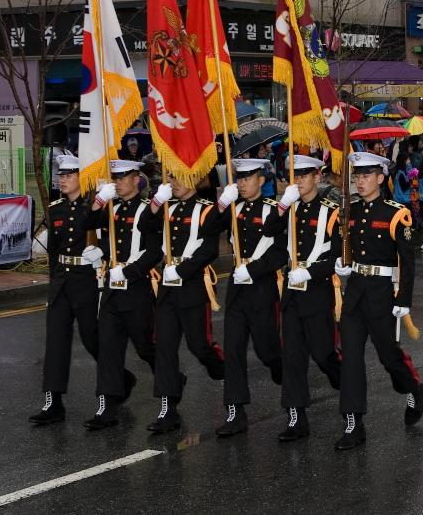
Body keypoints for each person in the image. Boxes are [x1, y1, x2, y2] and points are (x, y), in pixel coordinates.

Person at [334, 151, 423, 451]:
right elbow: (343, 245)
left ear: (381, 178)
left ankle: (413, 388)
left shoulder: (395, 214)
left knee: (388, 355)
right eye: (357, 176)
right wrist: (341, 263)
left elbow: (407, 260)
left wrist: (404, 299)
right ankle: (353, 422)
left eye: (366, 175)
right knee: (350, 357)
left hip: (382, 293)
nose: (360, 181)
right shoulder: (351, 212)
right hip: (356, 290)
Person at [84, 159, 162, 431]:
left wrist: (129, 272)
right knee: (108, 348)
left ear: (136, 179)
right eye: (114, 178)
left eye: (121, 177)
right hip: (111, 290)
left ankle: (170, 384)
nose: (116, 182)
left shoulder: (147, 210)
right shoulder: (112, 208)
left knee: (146, 347)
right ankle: (108, 405)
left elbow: (155, 251)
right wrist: (98, 201)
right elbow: (88, 221)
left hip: (136, 289)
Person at [146, 171, 226, 433]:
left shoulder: (206, 210)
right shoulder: (167, 208)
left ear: (194, 180)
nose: (174, 183)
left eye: (179, 178)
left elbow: (210, 249)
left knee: (199, 345)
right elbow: (143, 226)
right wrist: (157, 201)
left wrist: (182, 270)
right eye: (171, 178)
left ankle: (225, 371)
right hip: (168, 288)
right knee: (164, 345)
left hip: (191, 285)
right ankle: (168, 407)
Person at [215, 158, 288, 437]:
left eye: (248, 178)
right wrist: (223, 203)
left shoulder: (274, 211)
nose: (242, 183)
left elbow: (282, 252)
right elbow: (209, 228)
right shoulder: (233, 209)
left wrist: (254, 270)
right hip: (236, 285)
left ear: (261, 180)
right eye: (239, 178)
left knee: (265, 348)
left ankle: (280, 367)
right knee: (232, 348)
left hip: (261, 286)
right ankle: (235, 411)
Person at [28, 155, 104, 425]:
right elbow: (54, 252)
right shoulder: (57, 208)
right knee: (56, 341)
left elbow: (110, 242)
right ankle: (53, 402)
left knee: (92, 337)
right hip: (62, 281)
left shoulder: (96, 207)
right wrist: (53, 282)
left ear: (82, 178)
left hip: (87, 279)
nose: (62, 179)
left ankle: (116, 383)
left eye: (69, 175)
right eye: (61, 174)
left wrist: (101, 259)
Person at [275, 155, 342, 442]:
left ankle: (345, 383)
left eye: (304, 175)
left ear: (317, 177)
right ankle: (296, 418)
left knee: (324, 354)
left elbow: (337, 255)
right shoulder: (288, 209)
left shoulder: (331, 211)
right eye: (294, 175)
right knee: (292, 358)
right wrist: (281, 205)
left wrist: (311, 273)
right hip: (291, 297)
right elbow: (269, 233)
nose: (298, 180)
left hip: (316, 293)